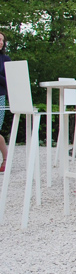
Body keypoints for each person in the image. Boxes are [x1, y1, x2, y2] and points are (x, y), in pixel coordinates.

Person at [0, 31, 10, 172]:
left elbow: (9, 81)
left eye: (2, 40)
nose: (1, 42)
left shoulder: (6, 59)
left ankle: (6, 159)